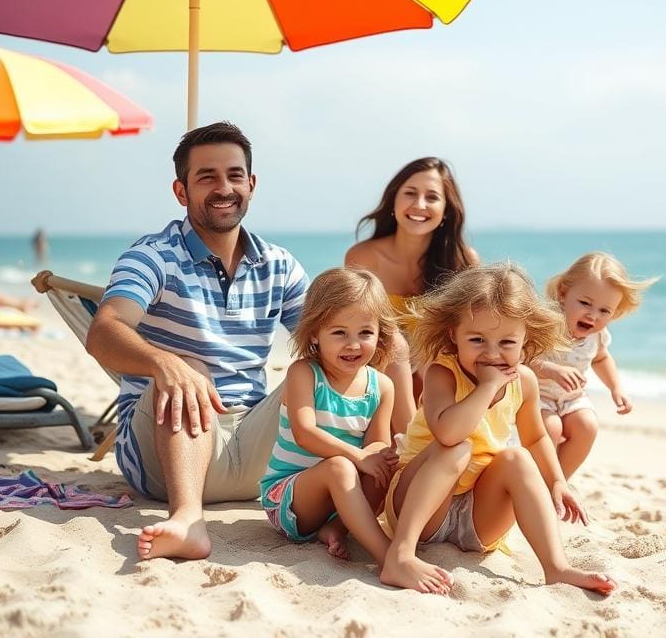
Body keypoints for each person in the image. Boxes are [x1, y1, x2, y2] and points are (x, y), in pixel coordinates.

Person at [85, 122, 309, 562]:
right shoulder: (151, 256)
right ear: (181, 191)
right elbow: (104, 330)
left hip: (256, 453)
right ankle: (187, 519)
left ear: (252, 184)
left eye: (234, 175)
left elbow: (329, 341)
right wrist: (163, 362)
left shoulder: (279, 265)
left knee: (328, 365)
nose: (224, 187)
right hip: (164, 459)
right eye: (207, 177)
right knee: (189, 368)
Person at [379, 263, 616, 595]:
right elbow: (448, 433)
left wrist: (559, 481)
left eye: (507, 342)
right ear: (453, 335)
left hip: (477, 517)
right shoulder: (442, 373)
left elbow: (535, 438)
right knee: (458, 447)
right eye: (477, 340)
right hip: (421, 506)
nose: (491, 353)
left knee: (517, 457)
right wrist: (487, 388)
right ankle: (401, 555)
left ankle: (555, 566)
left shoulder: (526, 381)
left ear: (525, 339)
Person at [260, 267, 452, 592]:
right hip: (291, 499)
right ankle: (388, 557)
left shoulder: (382, 386)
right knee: (340, 467)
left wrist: (383, 455)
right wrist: (358, 456)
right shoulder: (304, 373)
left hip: (339, 502)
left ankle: (335, 529)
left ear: (381, 334)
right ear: (315, 334)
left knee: (385, 465)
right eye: (339, 333)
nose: (353, 344)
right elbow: (305, 433)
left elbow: (375, 443)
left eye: (365, 332)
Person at [345, 157, 478, 435]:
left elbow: (475, 329)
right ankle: (409, 445)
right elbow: (355, 328)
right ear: (394, 200)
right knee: (396, 346)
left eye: (432, 197)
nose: (419, 205)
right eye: (410, 193)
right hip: (380, 371)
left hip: (439, 377)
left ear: (446, 210)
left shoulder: (462, 261)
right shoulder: (364, 257)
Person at [533, 253, 657, 479]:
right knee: (551, 429)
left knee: (587, 425)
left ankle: (558, 483)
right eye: (585, 303)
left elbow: (601, 359)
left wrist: (616, 388)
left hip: (569, 397)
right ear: (563, 294)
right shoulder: (547, 324)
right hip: (536, 396)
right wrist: (552, 370)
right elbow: (521, 358)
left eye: (604, 310)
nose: (592, 315)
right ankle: (538, 481)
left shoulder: (597, 336)